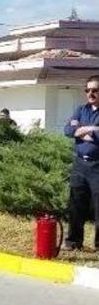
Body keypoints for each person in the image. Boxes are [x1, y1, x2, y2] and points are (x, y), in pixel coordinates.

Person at [62, 75, 99, 251]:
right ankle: (73, 242)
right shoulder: (80, 109)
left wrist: (82, 130)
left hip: (97, 166)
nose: (90, 93)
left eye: (95, 90)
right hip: (79, 165)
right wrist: (91, 129)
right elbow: (68, 129)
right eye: (88, 90)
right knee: (76, 203)